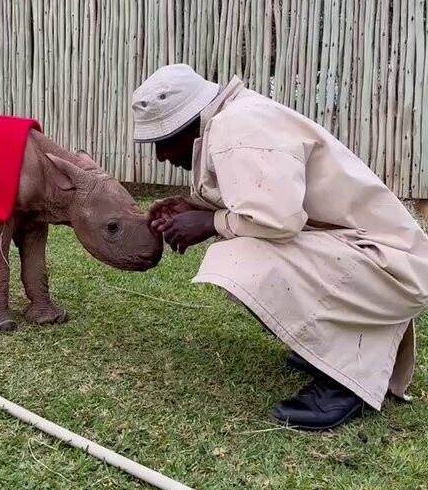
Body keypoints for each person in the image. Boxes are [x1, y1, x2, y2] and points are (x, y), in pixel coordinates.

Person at [132, 64, 428, 431]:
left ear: (188, 122)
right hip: (383, 259)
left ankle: (345, 382)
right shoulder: (239, 117)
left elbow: (279, 220)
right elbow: (269, 199)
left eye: (162, 140)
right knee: (240, 248)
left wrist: (210, 223)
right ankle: (327, 350)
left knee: (237, 260)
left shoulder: (236, 128)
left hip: (390, 269)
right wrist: (195, 207)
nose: (161, 156)